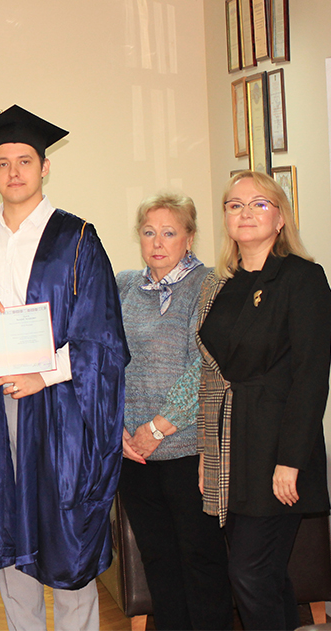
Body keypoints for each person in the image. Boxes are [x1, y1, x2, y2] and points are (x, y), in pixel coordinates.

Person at [0, 105, 129, 631]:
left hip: (63, 406)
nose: (14, 172)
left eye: (25, 161)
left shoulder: (77, 238)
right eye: (3, 163)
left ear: (45, 167)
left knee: (66, 533)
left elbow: (102, 336)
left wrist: (41, 375)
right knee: (9, 531)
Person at [196, 170, 330, 630]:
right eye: (235, 205)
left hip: (278, 447)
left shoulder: (303, 278)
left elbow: (311, 377)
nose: (246, 213)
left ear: (280, 218)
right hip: (233, 446)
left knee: (249, 572)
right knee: (265, 573)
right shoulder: (222, 284)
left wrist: (290, 460)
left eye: (259, 204)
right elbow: (212, 376)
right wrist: (208, 453)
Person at [115, 193, 233, 630]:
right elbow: (106, 359)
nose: (158, 242)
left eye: (169, 232)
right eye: (149, 232)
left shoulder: (210, 285)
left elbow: (206, 366)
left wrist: (156, 428)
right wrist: (117, 428)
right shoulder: (124, 286)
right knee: (158, 560)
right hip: (133, 454)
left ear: (190, 237)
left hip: (188, 450)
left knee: (201, 560)